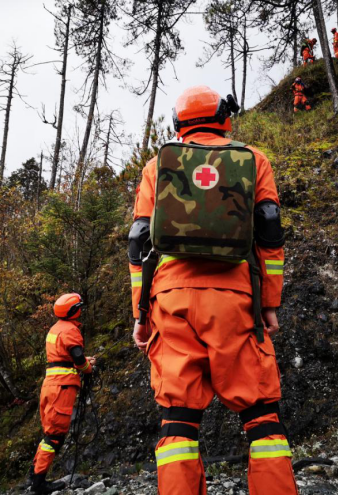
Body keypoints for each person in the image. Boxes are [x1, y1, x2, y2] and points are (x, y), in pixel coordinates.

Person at [129, 85, 297, 495]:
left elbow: (138, 242)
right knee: (262, 417)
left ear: (178, 124)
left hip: (171, 300)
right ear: (225, 118)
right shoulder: (255, 160)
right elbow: (270, 233)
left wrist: (140, 313)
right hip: (234, 298)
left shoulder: (157, 166)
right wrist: (269, 302)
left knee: (178, 422)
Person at [28, 293, 95, 494]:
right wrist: (88, 369)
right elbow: (77, 357)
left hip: (51, 385)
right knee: (55, 436)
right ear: (74, 311)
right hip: (62, 388)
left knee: (49, 433)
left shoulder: (55, 329)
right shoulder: (71, 330)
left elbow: (66, 356)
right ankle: (39, 482)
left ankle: (34, 475)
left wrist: (83, 362)